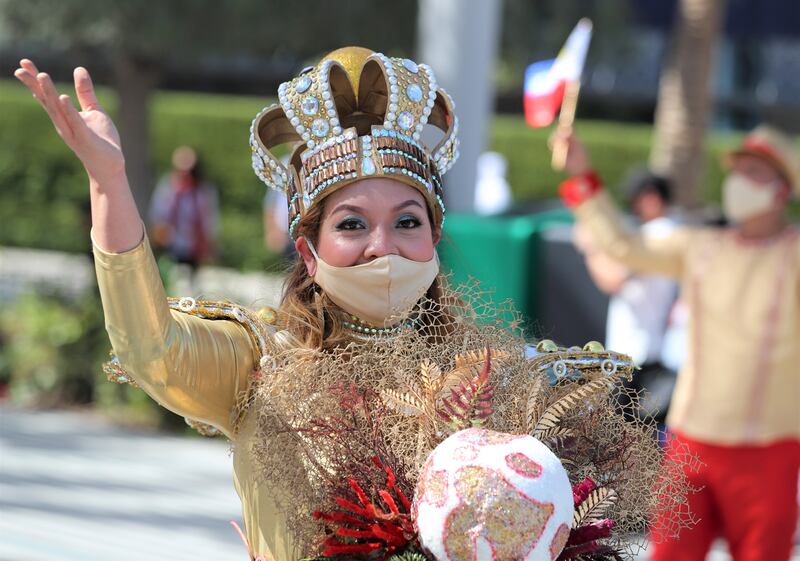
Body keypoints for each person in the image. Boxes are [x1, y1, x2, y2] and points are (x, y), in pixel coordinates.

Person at [15, 49, 691, 561]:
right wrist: (111, 187)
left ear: (434, 240)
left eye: (406, 221)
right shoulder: (261, 362)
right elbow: (151, 349)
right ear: (307, 253)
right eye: (350, 224)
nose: (382, 246)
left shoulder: (488, 372)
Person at [553, 125, 800, 561]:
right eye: (737, 170)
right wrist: (581, 174)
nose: (739, 181)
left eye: (755, 172)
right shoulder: (701, 246)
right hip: (693, 443)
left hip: (769, 448)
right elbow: (622, 245)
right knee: (670, 554)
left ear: (783, 190)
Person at [574, 170, 679, 424]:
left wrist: (591, 246)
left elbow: (612, 279)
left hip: (637, 358)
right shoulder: (665, 232)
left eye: (635, 199)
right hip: (644, 354)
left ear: (652, 198)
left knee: (622, 441)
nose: (633, 206)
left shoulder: (658, 234)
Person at [149, 145, 219, 271]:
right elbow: (157, 218)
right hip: (169, 246)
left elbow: (210, 222)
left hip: (194, 249)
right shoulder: (167, 187)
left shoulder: (203, 191)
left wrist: (208, 248)